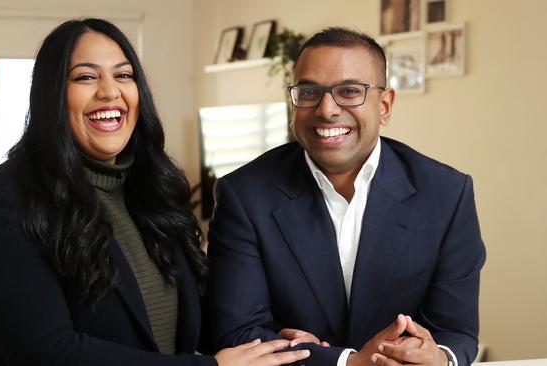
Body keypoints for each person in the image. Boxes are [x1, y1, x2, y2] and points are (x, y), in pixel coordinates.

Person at [0, 18, 310, 366]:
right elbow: (50, 354)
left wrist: (274, 343)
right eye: (85, 77)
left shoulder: (156, 191)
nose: (110, 91)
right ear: (52, 96)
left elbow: (195, 321)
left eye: (124, 75)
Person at [204, 27, 486, 366]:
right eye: (308, 91)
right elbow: (236, 333)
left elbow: (456, 332)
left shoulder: (446, 193)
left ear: (384, 105)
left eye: (349, 91)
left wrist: (438, 357)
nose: (326, 109)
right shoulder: (245, 194)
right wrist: (345, 361)